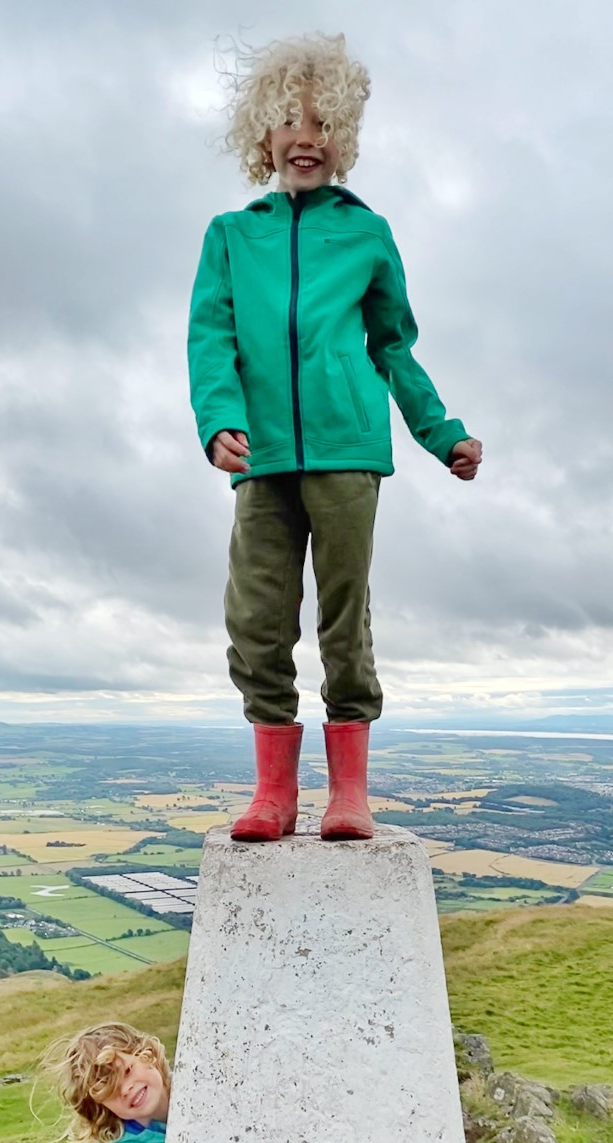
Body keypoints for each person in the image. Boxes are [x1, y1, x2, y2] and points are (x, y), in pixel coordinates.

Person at [188, 33, 481, 843]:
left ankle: (349, 794)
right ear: (264, 133)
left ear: (343, 136)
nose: (306, 135)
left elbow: (394, 346)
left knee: (343, 621)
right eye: (290, 119)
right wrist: (218, 422)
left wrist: (441, 433)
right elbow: (210, 342)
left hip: (350, 451)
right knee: (255, 621)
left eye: (323, 121)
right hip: (264, 458)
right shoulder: (229, 236)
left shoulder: (366, 233)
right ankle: (273, 794)